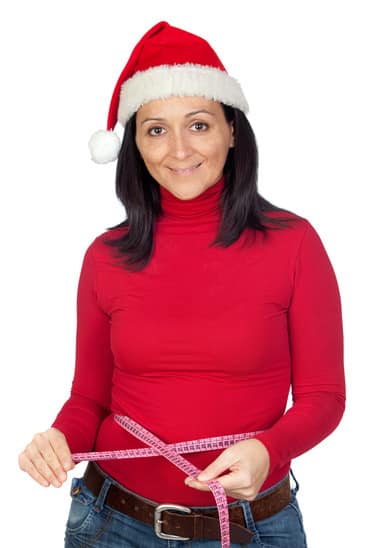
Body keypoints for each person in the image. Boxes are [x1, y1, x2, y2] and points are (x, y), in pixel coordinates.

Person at [18, 21, 345, 548]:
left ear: (231, 130)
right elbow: (88, 398)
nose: (178, 150)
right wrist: (60, 439)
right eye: (155, 129)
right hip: (110, 523)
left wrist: (269, 450)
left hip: (249, 528)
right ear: (136, 146)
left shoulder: (295, 244)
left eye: (197, 125)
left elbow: (324, 397)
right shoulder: (105, 257)